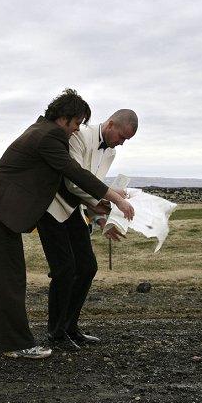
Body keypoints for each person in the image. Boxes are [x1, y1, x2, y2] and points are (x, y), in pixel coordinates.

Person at [0, 89, 134, 359]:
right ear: (65, 118)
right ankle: (16, 345)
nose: (77, 130)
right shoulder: (51, 135)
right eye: (76, 123)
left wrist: (100, 208)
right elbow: (73, 172)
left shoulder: (41, 129)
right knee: (11, 277)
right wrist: (115, 198)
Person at [36, 109, 139, 351]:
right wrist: (113, 200)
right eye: (122, 137)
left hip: (74, 209)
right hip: (52, 206)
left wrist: (99, 219)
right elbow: (75, 181)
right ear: (111, 124)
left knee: (87, 267)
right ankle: (56, 333)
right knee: (65, 269)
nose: (121, 144)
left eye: (126, 140)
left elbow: (89, 185)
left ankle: (70, 327)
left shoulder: (110, 151)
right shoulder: (80, 136)